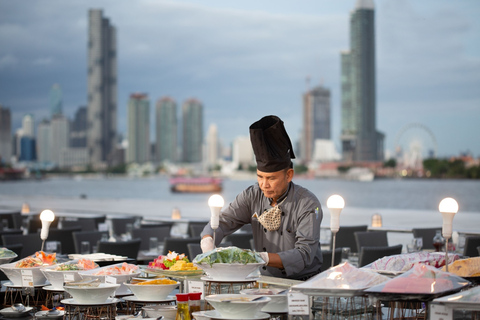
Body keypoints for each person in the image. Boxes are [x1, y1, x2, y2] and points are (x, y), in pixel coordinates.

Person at [200, 115, 323, 280]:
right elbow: (221, 223)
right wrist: (208, 241)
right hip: (267, 280)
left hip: (305, 282)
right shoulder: (252, 195)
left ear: (289, 175)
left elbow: (304, 254)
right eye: (260, 177)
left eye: (271, 178)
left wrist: (261, 258)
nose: (264, 184)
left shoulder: (308, 203)